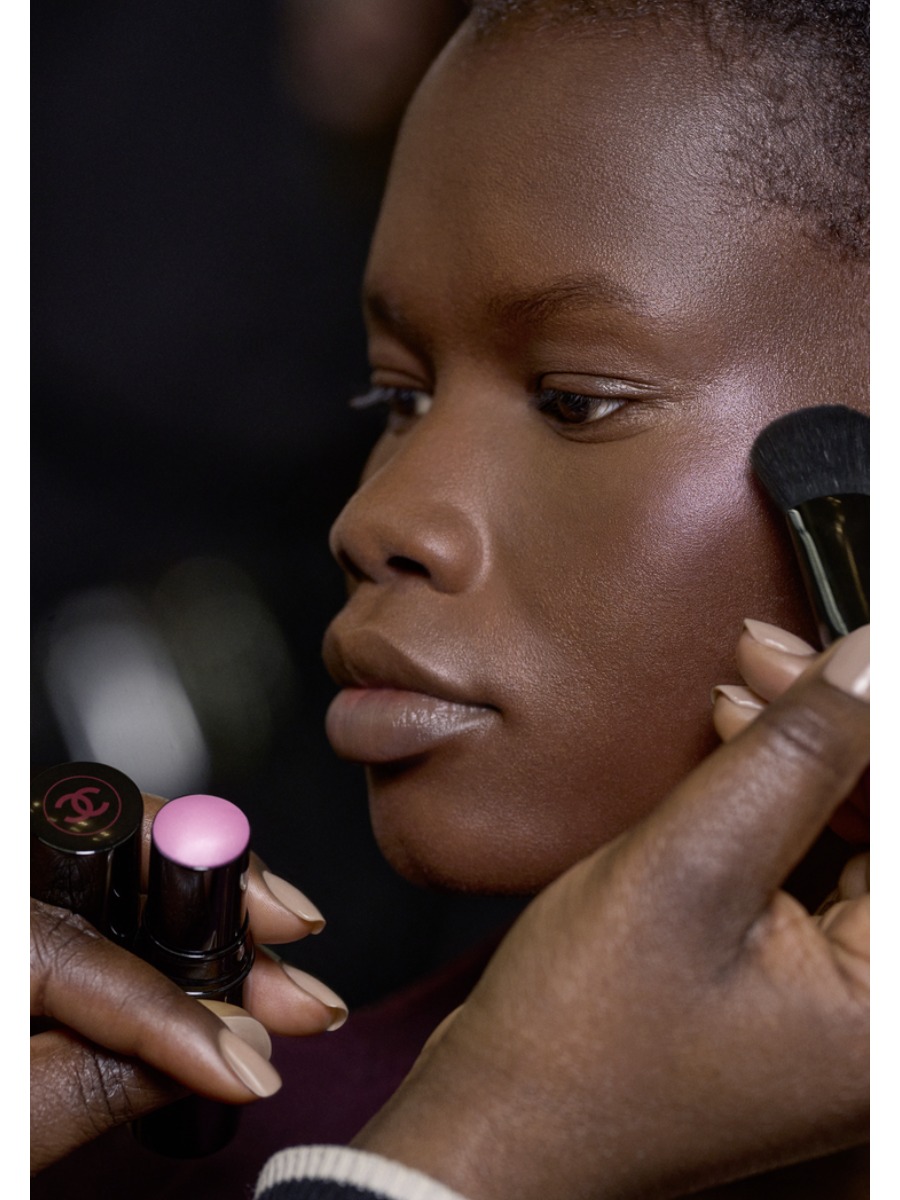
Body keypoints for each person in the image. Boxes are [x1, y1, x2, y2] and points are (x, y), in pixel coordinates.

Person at [30, 1, 869, 1197]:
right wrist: (471, 1158)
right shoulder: (236, 1125)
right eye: (396, 401)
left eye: (576, 399)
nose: (374, 520)